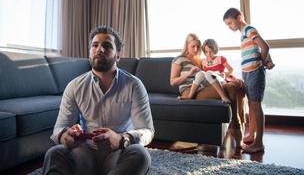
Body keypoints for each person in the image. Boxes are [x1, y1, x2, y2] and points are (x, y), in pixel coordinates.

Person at [42, 25, 154, 175]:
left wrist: (121, 139)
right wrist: (64, 136)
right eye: (95, 45)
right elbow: (60, 127)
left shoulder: (134, 85)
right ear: (90, 52)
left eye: (107, 46)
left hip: (118, 153)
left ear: (118, 55)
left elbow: (147, 130)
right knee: (54, 153)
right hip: (84, 153)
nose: (99, 49)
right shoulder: (74, 86)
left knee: (141, 155)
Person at [170, 33, 245, 147]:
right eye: (193, 46)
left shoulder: (200, 61)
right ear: (186, 45)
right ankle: (237, 129)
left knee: (237, 85)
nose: (196, 49)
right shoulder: (179, 59)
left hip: (204, 88)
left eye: (198, 47)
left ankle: (238, 126)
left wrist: (223, 75)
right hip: (190, 90)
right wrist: (189, 74)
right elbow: (173, 82)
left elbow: (209, 76)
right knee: (234, 86)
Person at [223, 7, 275, 154]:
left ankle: (259, 143)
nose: (230, 27)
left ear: (239, 18)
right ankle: (251, 135)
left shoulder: (248, 29)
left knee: (256, 106)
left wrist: (263, 62)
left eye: (230, 23)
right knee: (251, 106)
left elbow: (265, 46)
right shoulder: (244, 34)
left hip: (254, 72)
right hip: (248, 73)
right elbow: (258, 49)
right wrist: (267, 60)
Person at [178, 37, 231, 104]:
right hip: (209, 82)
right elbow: (202, 75)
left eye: (210, 51)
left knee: (208, 73)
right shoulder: (203, 61)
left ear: (215, 49)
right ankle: (190, 95)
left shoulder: (220, 59)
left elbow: (231, 70)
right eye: (206, 52)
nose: (208, 54)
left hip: (219, 79)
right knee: (200, 73)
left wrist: (225, 74)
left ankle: (223, 96)